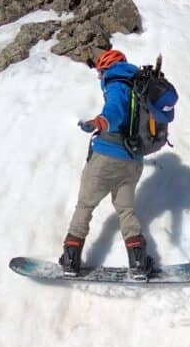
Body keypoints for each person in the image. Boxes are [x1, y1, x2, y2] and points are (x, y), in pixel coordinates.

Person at [59, 49, 162, 280]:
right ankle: (138, 262)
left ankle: (70, 259)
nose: (99, 77)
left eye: (100, 72)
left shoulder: (116, 83)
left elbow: (115, 109)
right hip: (133, 160)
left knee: (85, 205)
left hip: (107, 157)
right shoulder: (139, 84)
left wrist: (99, 122)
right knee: (126, 210)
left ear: (108, 68)